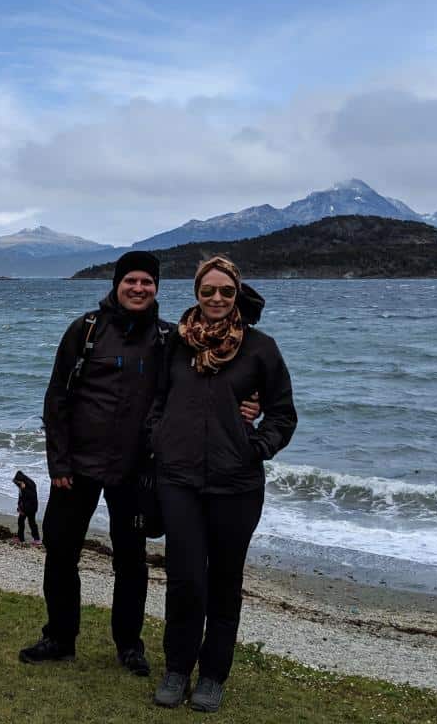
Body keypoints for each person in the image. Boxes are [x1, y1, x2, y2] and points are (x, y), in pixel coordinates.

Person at [19, 251, 260, 677]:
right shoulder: (86, 330)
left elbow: (215, 370)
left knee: (131, 563)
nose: (138, 288)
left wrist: (250, 400)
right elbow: (56, 399)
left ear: (157, 289)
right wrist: (58, 461)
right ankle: (59, 636)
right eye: (131, 280)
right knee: (60, 552)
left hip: (137, 470)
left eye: (147, 282)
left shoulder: (172, 338)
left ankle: (129, 645)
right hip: (76, 466)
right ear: (117, 284)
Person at [146, 256, 297, 712]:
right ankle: (177, 668)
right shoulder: (174, 344)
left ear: (237, 295)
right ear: (196, 292)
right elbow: (156, 401)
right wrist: (160, 437)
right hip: (179, 480)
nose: (216, 299)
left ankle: (212, 675)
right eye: (208, 290)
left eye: (226, 292)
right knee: (185, 579)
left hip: (237, 485)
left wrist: (255, 445)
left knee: (225, 582)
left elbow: (283, 414)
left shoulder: (260, 348)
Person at [12, 470, 41, 545]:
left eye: (17, 482)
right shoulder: (21, 485)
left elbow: (32, 497)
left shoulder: (30, 484)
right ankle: (21, 538)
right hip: (24, 506)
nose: (16, 484)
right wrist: (19, 506)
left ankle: (37, 539)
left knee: (31, 522)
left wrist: (24, 489)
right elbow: (21, 497)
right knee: (21, 521)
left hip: (31, 507)